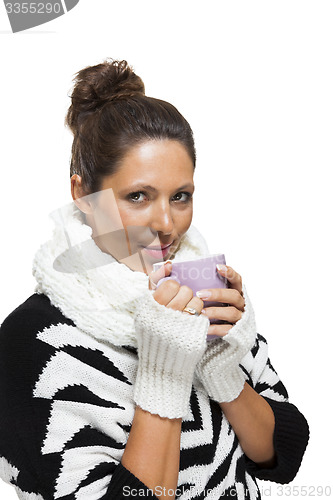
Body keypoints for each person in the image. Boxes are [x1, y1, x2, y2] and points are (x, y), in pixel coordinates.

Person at [0, 59, 309, 500]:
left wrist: (220, 367)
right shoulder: (34, 342)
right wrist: (164, 374)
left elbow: (281, 458)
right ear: (83, 196)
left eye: (180, 196)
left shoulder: (210, 296)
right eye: (138, 196)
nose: (166, 223)